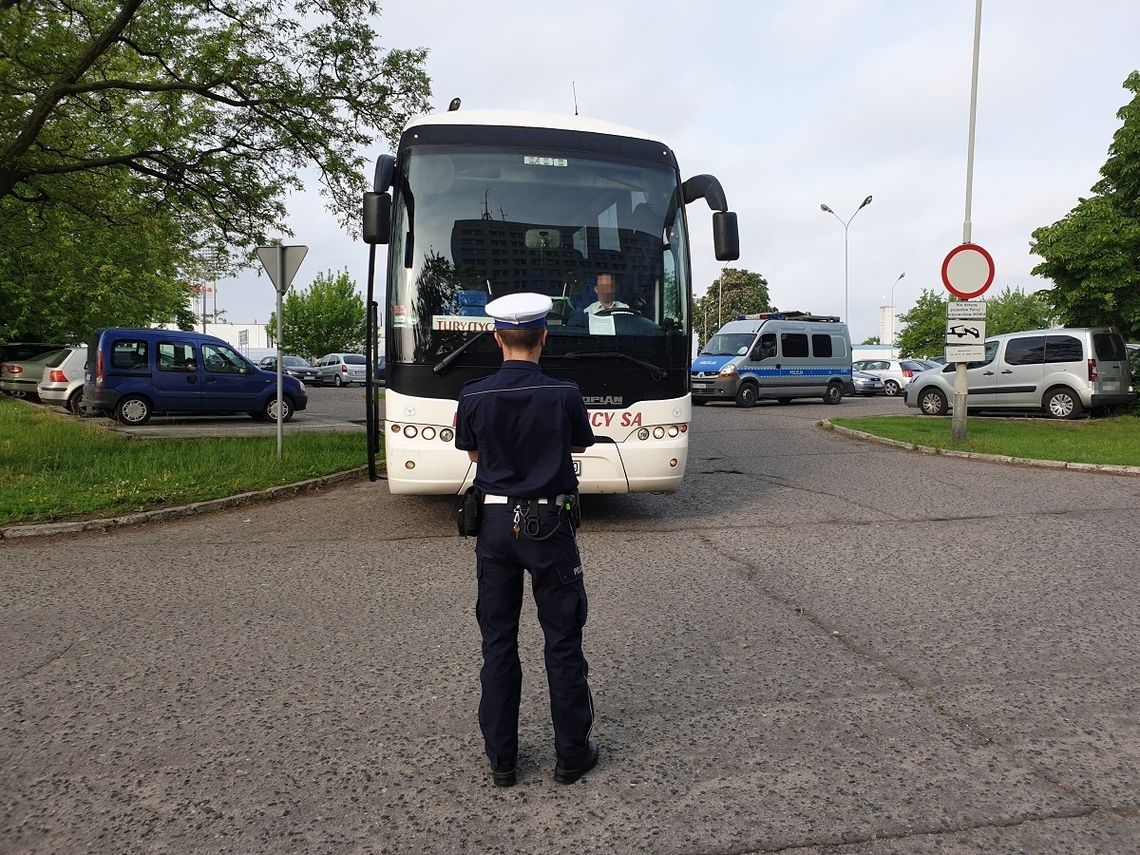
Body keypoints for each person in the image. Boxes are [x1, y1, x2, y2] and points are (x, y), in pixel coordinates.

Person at [454, 292, 600, 788]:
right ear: (544, 338)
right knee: (562, 640)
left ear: (497, 338)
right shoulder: (564, 394)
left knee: (498, 641)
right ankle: (571, 755)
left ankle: (502, 761)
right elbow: (578, 443)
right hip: (550, 524)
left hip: (495, 525)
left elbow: (473, 454)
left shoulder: (473, 395)